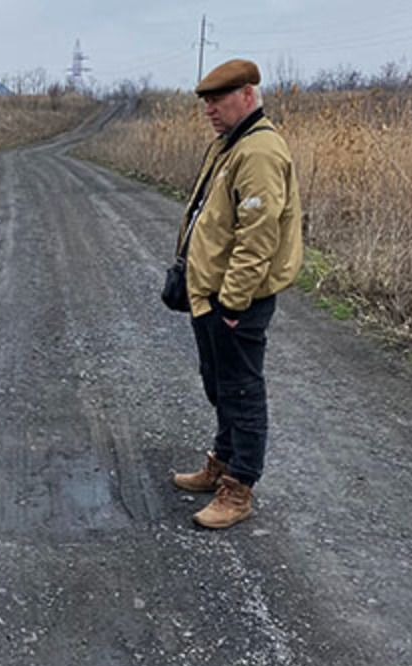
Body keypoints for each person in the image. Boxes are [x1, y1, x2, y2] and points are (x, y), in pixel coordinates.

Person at [171, 59, 303, 529]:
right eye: (206, 102)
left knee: (242, 391)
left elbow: (258, 235)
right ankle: (222, 461)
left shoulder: (259, 150)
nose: (209, 109)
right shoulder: (231, 144)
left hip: (234, 300)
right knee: (220, 384)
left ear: (248, 95)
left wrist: (233, 302)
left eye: (218, 100)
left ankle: (239, 488)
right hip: (212, 294)